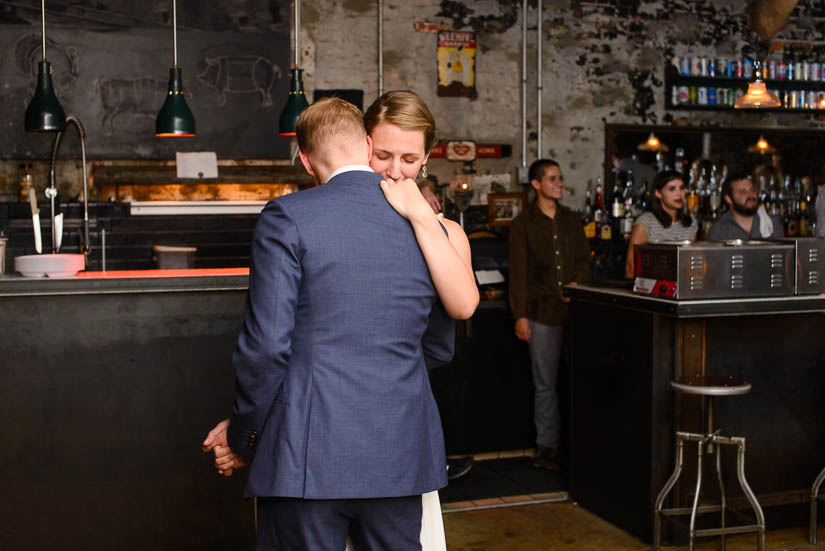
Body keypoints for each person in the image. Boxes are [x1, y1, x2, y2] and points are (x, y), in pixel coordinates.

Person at [200, 97, 458, 550]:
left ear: (304, 159)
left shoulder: (288, 217)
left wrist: (244, 437)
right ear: (366, 143)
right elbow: (438, 346)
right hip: (399, 454)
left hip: (306, 457)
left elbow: (265, 350)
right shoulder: (425, 224)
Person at [365, 90, 479, 482]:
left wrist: (420, 214)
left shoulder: (446, 231)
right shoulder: (338, 220)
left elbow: (463, 305)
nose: (395, 170)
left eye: (409, 159)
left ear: (427, 158)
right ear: (363, 146)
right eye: (383, 155)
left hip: (405, 402)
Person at [508, 158, 590, 469]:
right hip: (541, 313)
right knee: (545, 383)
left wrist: (577, 282)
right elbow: (518, 273)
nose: (560, 183)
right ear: (537, 184)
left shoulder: (572, 220)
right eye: (553, 179)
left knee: (577, 380)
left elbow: (584, 260)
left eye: (560, 178)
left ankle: (579, 444)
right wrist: (520, 315)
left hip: (575, 312)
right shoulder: (523, 224)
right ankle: (547, 446)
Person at [624, 170, 698, 278]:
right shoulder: (646, 221)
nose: (679, 193)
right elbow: (631, 266)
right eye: (672, 188)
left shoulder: (691, 222)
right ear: (658, 193)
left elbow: (691, 263)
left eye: (681, 188)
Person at [705, 170, 784, 241]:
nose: (751, 195)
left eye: (752, 190)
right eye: (743, 192)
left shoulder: (773, 224)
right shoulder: (718, 231)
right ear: (728, 199)